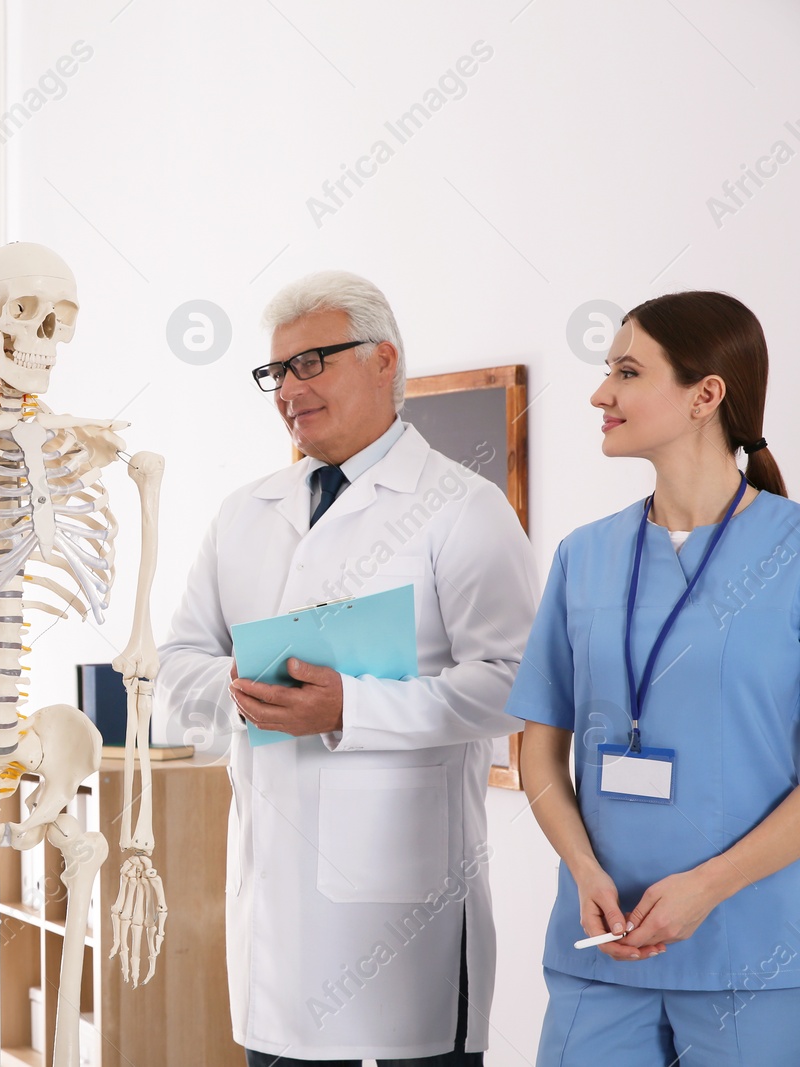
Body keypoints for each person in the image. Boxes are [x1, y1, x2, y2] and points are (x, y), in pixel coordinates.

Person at [155, 270, 536, 1065]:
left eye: (313, 362)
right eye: (276, 372)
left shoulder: (462, 507)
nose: (289, 389)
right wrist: (246, 694)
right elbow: (179, 660)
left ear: (383, 360)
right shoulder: (244, 511)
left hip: (407, 907)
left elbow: (513, 681)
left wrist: (349, 709)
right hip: (279, 928)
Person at [509, 291, 800, 1065]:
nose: (601, 394)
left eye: (628, 372)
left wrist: (708, 886)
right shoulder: (584, 556)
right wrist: (582, 867)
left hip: (754, 955)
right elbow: (537, 752)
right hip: (601, 951)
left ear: (707, 395)